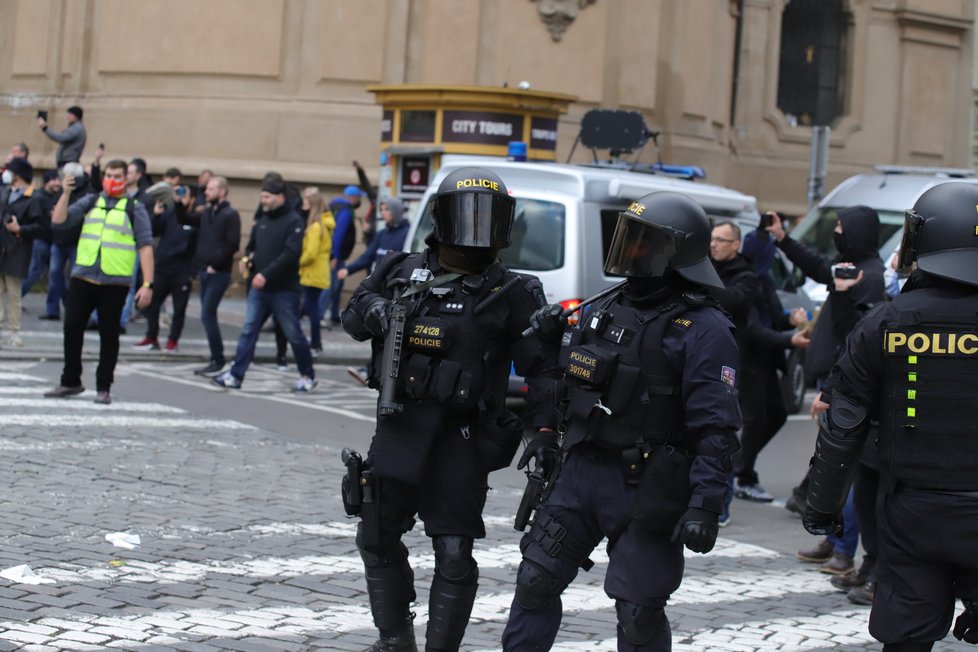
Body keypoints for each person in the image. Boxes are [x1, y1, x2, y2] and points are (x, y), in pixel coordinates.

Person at [502, 191, 741, 651]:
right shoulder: (604, 306)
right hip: (580, 472)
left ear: (676, 254)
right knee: (535, 582)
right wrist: (551, 350)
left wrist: (706, 504)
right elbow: (567, 382)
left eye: (644, 243)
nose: (632, 254)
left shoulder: (706, 329)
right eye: (628, 240)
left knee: (638, 612)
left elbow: (717, 427)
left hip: (647, 483)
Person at [341, 167, 560, 652]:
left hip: (463, 438)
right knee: (376, 536)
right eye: (467, 216)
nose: (476, 228)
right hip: (398, 427)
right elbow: (352, 317)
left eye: (488, 218)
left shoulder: (515, 291)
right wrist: (377, 310)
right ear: (441, 218)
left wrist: (546, 431)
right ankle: (394, 639)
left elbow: (545, 370)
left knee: (455, 553)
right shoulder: (399, 269)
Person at [803, 181, 978, 651]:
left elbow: (842, 427)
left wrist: (821, 508)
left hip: (912, 514)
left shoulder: (884, 322)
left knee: (906, 638)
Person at [768, 205, 885, 575]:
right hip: (832, 380)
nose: (836, 231)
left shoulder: (871, 277)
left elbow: (857, 342)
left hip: (844, 385)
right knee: (833, 467)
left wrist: (834, 390)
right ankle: (835, 542)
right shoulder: (847, 267)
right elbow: (817, 266)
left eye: (840, 226)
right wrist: (784, 240)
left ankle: (845, 550)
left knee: (846, 470)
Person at [44, 160, 154, 404]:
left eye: (116, 176)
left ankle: (104, 386)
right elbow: (59, 221)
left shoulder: (134, 208)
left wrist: (147, 285)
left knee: (109, 334)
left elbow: (145, 247)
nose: (111, 180)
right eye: (108, 175)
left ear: (126, 179)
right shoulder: (92, 201)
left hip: (115, 282)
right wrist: (66, 192)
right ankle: (70, 380)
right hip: (83, 276)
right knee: (72, 327)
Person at [211, 178, 317, 392]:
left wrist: (266, 274)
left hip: (284, 290)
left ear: (280, 197)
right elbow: (252, 246)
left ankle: (308, 375)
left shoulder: (293, 221)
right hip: (260, 288)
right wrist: (246, 260)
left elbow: (290, 253)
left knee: (293, 333)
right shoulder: (262, 219)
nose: (263, 201)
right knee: (248, 331)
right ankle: (236, 375)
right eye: (262, 197)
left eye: (267, 197)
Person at [731, 228, 810, 504]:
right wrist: (790, 339)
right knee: (754, 420)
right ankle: (740, 474)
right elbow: (752, 328)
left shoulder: (761, 279)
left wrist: (790, 319)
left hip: (764, 358)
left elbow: (771, 315)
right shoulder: (748, 279)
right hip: (748, 359)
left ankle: (737, 467)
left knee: (775, 414)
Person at [338, 196, 411, 386]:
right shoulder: (382, 233)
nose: (382, 213)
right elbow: (368, 255)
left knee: (386, 332)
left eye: (386, 209)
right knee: (375, 330)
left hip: (394, 291)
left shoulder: (406, 233)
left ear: (394, 212)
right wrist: (349, 269)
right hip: (378, 289)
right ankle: (372, 369)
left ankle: (374, 370)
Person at [176, 175, 241, 376]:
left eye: (211, 189)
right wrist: (181, 204)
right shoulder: (206, 213)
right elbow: (185, 219)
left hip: (218, 273)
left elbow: (232, 244)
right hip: (204, 270)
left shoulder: (230, 215)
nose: (206, 192)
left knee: (207, 314)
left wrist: (215, 264)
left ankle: (218, 358)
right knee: (207, 315)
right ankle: (216, 358)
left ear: (222, 191)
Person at [131, 170, 197, 352]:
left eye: (184, 193)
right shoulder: (171, 213)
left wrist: (193, 271)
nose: (180, 196)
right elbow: (154, 231)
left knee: (179, 309)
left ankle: (172, 341)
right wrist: (157, 215)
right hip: (163, 267)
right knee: (151, 304)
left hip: (181, 270)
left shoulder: (196, 219)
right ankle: (151, 337)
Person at [0, 157, 41, 346]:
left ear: (18, 176)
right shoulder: (6, 192)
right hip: (2, 247)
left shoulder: (32, 198)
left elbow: (39, 226)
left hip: (17, 249)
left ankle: (14, 330)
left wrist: (20, 229)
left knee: (14, 293)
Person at [298, 187, 334, 355]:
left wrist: (297, 263)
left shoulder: (315, 227)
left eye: (305, 201)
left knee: (311, 310)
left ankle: (314, 343)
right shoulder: (325, 223)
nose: (302, 204)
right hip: (320, 272)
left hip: (312, 273)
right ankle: (315, 343)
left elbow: (310, 254)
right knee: (311, 309)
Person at [322, 184, 363, 327]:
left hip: (337, 255)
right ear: (353, 197)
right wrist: (335, 255)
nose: (359, 200)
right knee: (332, 285)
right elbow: (339, 234)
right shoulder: (345, 210)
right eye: (358, 197)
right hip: (337, 256)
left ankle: (333, 315)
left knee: (337, 286)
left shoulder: (336, 206)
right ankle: (320, 315)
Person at [21, 170, 60, 318]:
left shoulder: (57, 196)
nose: (57, 183)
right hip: (41, 240)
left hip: (53, 241)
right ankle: (16, 299)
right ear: (47, 181)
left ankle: (54, 309)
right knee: (34, 272)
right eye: (54, 180)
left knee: (56, 276)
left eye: (58, 180)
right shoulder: (39, 197)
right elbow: (38, 219)